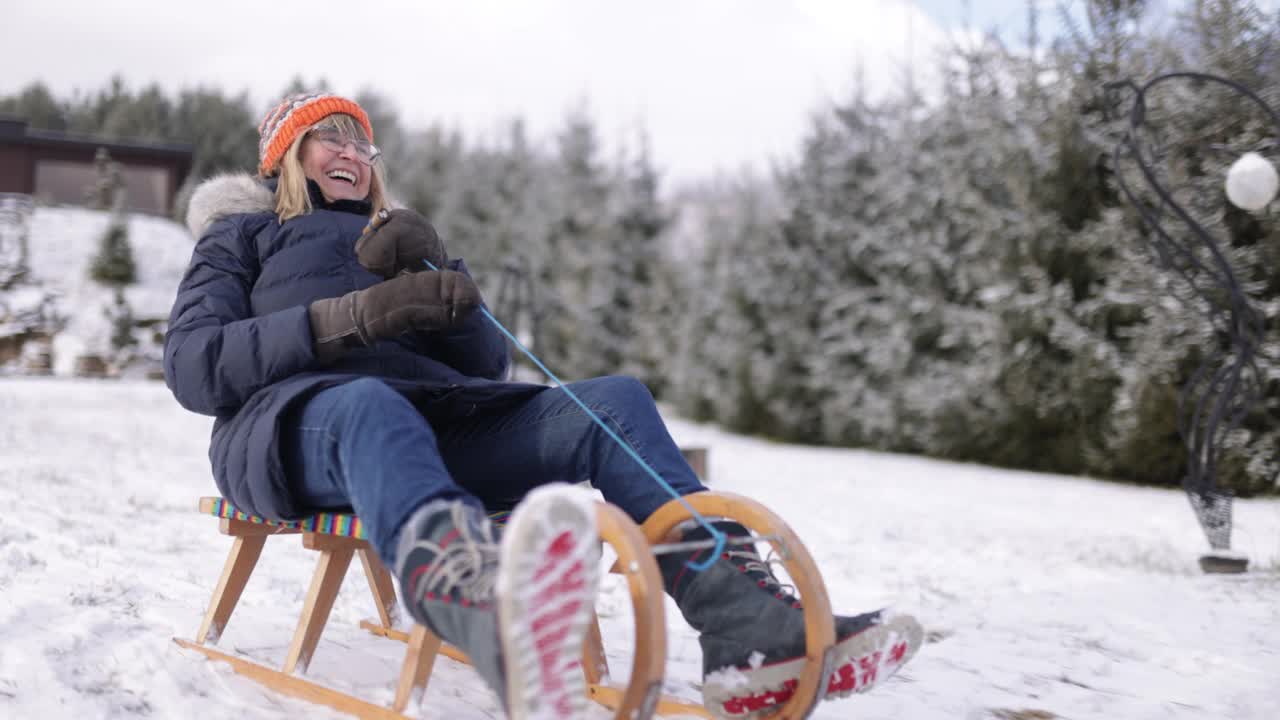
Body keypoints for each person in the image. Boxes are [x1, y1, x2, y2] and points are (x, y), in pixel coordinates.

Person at [166, 92, 921, 719]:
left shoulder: (393, 239)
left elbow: (483, 364)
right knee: (370, 404)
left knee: (614, 401)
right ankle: (490, 618)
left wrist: (443, 282)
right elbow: (195, 367)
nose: (353, 153)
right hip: (296, 428)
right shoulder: (245, 236)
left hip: (436, 426)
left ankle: (751, 632)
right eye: (329, 137)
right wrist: (352, 318)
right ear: (284, 157)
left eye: (364, 144)